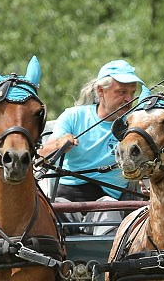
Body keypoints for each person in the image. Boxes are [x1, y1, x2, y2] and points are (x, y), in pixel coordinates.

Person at [40, 59, 145, 202]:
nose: (129, 98)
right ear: (101, 91)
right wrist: (60, 144)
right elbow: (41, 157)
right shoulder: (73, 116)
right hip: (65, 197)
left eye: (132, 92)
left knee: (109, 211)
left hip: (109, 201)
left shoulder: (134, 123)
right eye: (122, 92)